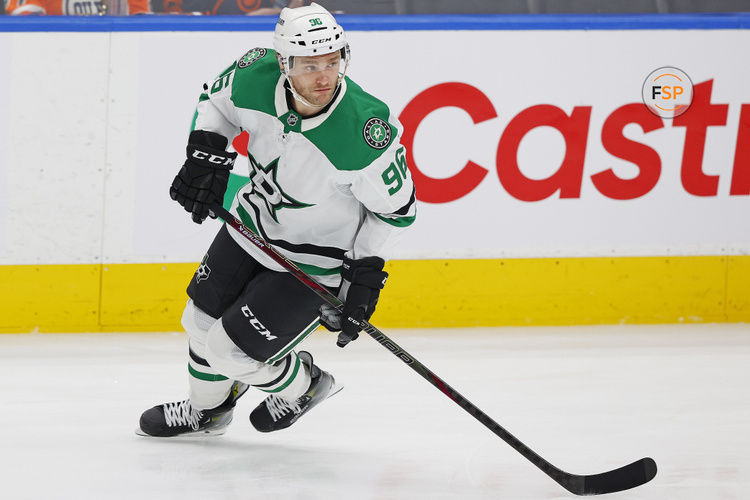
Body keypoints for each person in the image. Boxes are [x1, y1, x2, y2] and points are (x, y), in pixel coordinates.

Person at [137, 2, 416, 437]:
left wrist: (363, 272)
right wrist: (206, 152)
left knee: (230, 353)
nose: (324, 76)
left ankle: (305, 386)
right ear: (284, 63)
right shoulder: (254, 73)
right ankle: (207, 413)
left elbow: (397, 212)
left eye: (332, 60)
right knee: (199, 324)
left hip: (313, 261)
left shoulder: (366, 131)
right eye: (309, 65)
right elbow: (216, 101)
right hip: (251, 225)